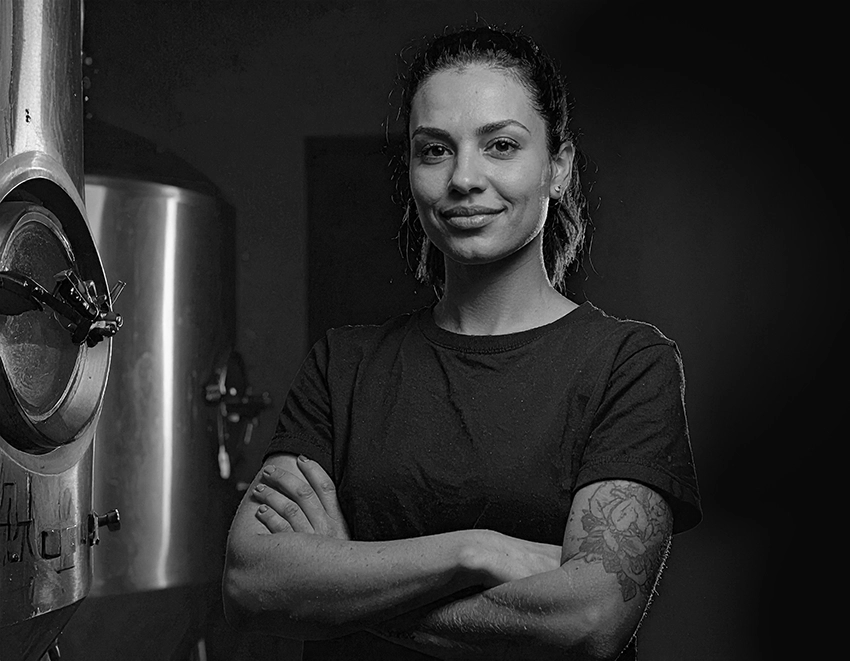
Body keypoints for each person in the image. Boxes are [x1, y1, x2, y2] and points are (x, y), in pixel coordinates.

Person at [222, 25, 701, 660]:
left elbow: (590, 618)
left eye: (501, 145)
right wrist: (476, 551)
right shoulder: (344, 365)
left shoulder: (628, 365)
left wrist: (341, 586)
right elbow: (252, 586)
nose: (464, 179)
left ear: (558, 168)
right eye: (435, 150)